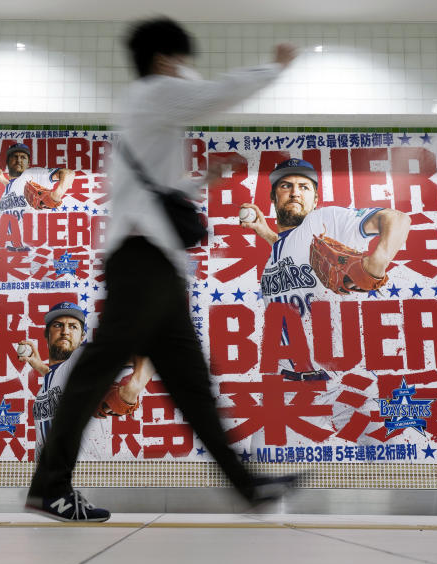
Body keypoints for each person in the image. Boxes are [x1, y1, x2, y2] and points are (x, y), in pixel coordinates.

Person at [25, 17, 301, 522]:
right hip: (142, 262)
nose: (186, 71)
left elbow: (158, 194)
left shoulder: (148, 111)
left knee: (190, 385)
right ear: (163, 60)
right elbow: (213, 95)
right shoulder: (153, 94)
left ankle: (247, 487)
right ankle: (50, 484)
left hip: (154, 263)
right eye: (181, 60)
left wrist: (202, 181)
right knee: (95, 371)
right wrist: (274, 68)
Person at [239, 158, 410, 450]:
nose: (295, 192)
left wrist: (378, 261)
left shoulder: (326, 220)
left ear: (315, 199)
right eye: (286, 186)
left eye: (304, 187)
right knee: (263, 464)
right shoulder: (279, 249)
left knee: (399, 458)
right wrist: (266, 233)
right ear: (273, 197)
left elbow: (396, 219)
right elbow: (292, 251)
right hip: (290, 389)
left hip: (346, 384)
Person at [17, 302, 153, 460]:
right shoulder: (53, 377)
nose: (65, 331)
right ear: (47, 334)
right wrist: (40, 366)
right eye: (58, 325)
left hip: (82, 476)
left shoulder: (82, 358)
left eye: (73, 326)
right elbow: (59, 380)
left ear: (82, 337)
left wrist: (133, 388)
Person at [0, 143, 74, 252]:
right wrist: (1, 178)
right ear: (7, 161)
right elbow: (15, 188)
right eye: (14, 156)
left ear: (28, 163)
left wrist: (56, 194)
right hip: (12, 253)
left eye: (23, 157)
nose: (19, 160)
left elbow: (68, 173)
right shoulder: (9, 189)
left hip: (36, 254)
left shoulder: (33, 174)